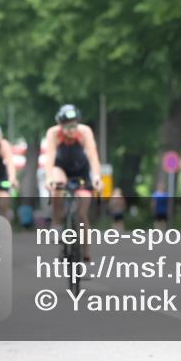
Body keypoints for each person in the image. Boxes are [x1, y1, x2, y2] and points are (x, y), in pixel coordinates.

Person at [44, 104, 102, 260]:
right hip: (61, 170)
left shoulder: (84, 132)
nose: (71, 130)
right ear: (60, 125)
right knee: (57, 185)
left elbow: (93, 155)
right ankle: (56, 222)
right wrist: (48, 178)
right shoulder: (53, 133)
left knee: (82, 213)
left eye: (74, 125)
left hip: (81, 172)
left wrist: (97, 177)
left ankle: (85, 251)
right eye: (67, 126)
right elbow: (49, 157)